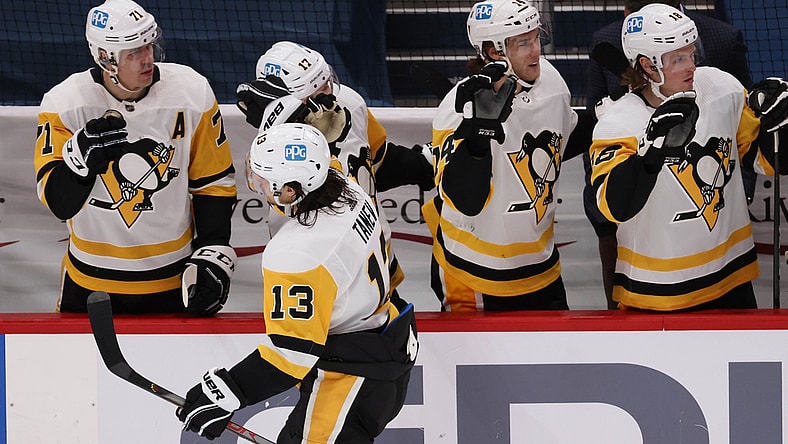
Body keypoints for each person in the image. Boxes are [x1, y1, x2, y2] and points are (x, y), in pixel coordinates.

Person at [176, 123, 418, 442]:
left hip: (349, 378)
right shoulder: (347, 187)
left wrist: (227, 391)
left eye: (262, 178)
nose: (256, 183)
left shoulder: (298, 253)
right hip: (388, 344)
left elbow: (292, 355)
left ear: (289, 190)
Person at [33, 0, 237, 315]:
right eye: (134, 52)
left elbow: (213, 182)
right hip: (90, 286)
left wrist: (213, 250)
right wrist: (80, 161)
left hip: (175, 282)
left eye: (149, 45)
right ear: (106, 59)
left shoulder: (192, 92)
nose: (148, 58)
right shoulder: (64, 104)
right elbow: (58, 202)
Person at [588, 3, 788, 311]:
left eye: (691, 54)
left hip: (731, 281)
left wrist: (782, 129)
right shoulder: (618, 123)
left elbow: (764, 161)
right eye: (678, 59)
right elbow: (613, 208)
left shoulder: (719, 87)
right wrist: (650, 155)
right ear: (647, 64)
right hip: (657, 294)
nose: (691, 66)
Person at [235, 40, 428, 306]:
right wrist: (322, 144)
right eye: (319, 90)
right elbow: (306, 206)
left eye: (327, 82)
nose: (331, 94)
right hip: (316, 283)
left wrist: (424, 163)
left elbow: (375, 160)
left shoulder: (350, 103)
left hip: (376, 268)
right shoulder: (271, 154)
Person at [421, 0, 578, 312]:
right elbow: (466, 200)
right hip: (473, 273)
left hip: (540, 267)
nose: (537, 51)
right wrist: (478, 136)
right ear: (494, 52)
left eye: (536, 38)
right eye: (523, 43)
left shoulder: (553, 83)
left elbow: (563, 141)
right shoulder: (458, 108)